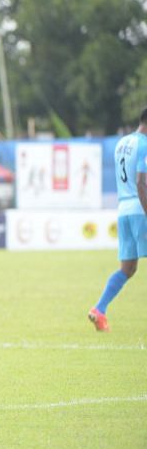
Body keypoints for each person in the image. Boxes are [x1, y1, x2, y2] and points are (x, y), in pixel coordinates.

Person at [88, 108, 147, 332]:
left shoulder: (122, 143)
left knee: (128, 269)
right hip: (141, 208)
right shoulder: (144, 145)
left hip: (123, 210)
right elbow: (142, 182)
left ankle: (99, 310)